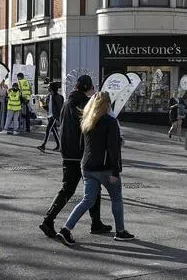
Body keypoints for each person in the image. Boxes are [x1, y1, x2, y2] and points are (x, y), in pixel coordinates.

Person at [57, 91, 135, 244]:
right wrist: (115, 170)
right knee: (116, 198)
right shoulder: (110, 122)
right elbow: (113, 148)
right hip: (105, 168)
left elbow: (82, 145)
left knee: (87, 200)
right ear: (107, 104)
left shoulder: (86, 121)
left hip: (87, 166)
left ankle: (66, 229)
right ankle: (120, 231)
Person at [38, 75, 110, 238]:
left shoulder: (67, 103)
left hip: (67, 152)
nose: (93, 91)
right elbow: (91, 127)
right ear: (87, 88)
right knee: (92, 188)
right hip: (81, 153)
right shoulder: (85, 104)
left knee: (69, 188)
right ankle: (94, 223)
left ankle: (49, 219)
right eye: (92, 88)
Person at [36, 81, 64, 153]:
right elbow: (47, 108)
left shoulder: (58, 97)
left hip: (54, 116)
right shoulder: (48, 96)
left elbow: (60, 108)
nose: (47, 88)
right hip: (49, 115)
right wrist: (42, 102)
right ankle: (59, 146)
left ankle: (43, 145)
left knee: (48, 129)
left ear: (52, 88)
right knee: (54, 131)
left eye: (49, 87)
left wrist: (59, 117)